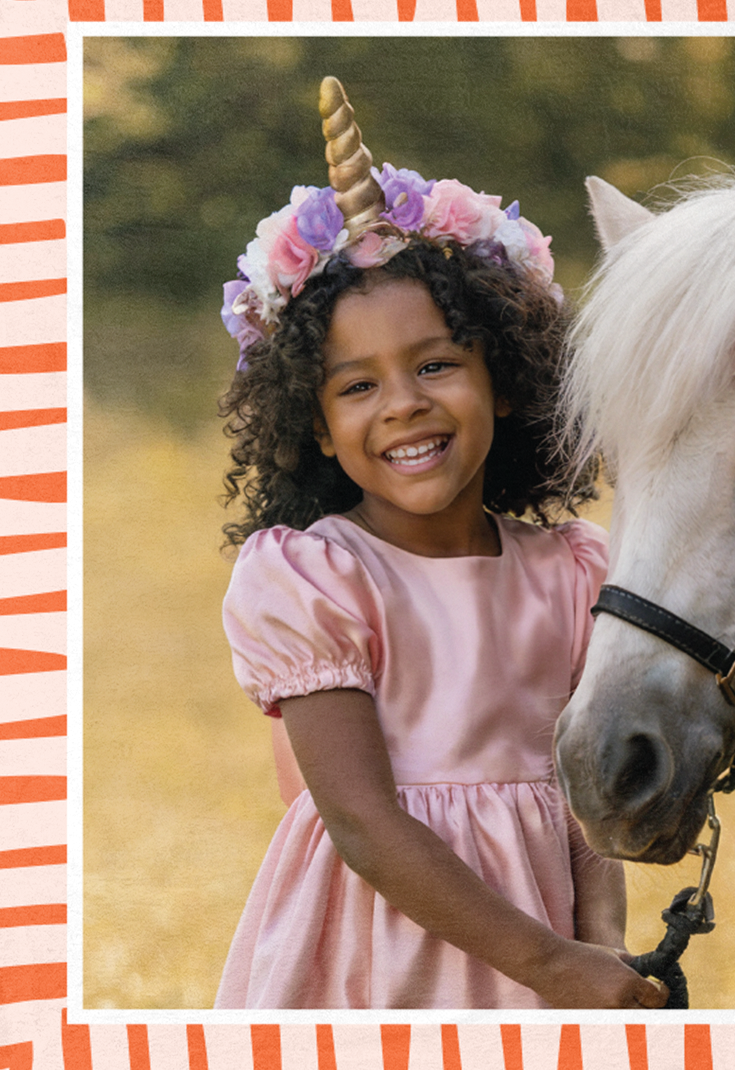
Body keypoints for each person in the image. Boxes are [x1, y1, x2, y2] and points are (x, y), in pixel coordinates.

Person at [211, 79, 665, 1010]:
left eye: (433, 365)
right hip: (376, 957)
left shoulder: (570, 571)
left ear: (504, 381)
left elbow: (578, 813)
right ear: (316, 426)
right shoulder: (318, 579)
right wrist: (547, 964)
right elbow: (364, 823)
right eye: (357, 387)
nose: (404, 404)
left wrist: (600, 954)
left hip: (545, 954)